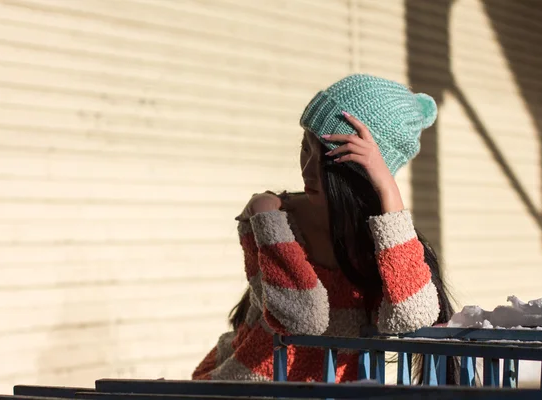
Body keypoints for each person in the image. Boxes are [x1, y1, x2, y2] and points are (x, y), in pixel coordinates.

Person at [192, 74, 455, 383]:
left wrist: (387, 187)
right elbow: (301, 316)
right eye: (306, 149)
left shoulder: (387, 243)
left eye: (328, 159)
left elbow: (414, 313)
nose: (308, 170)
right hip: (238, 385)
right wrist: (265, 215)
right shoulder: (274, 218)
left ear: (361, 171)